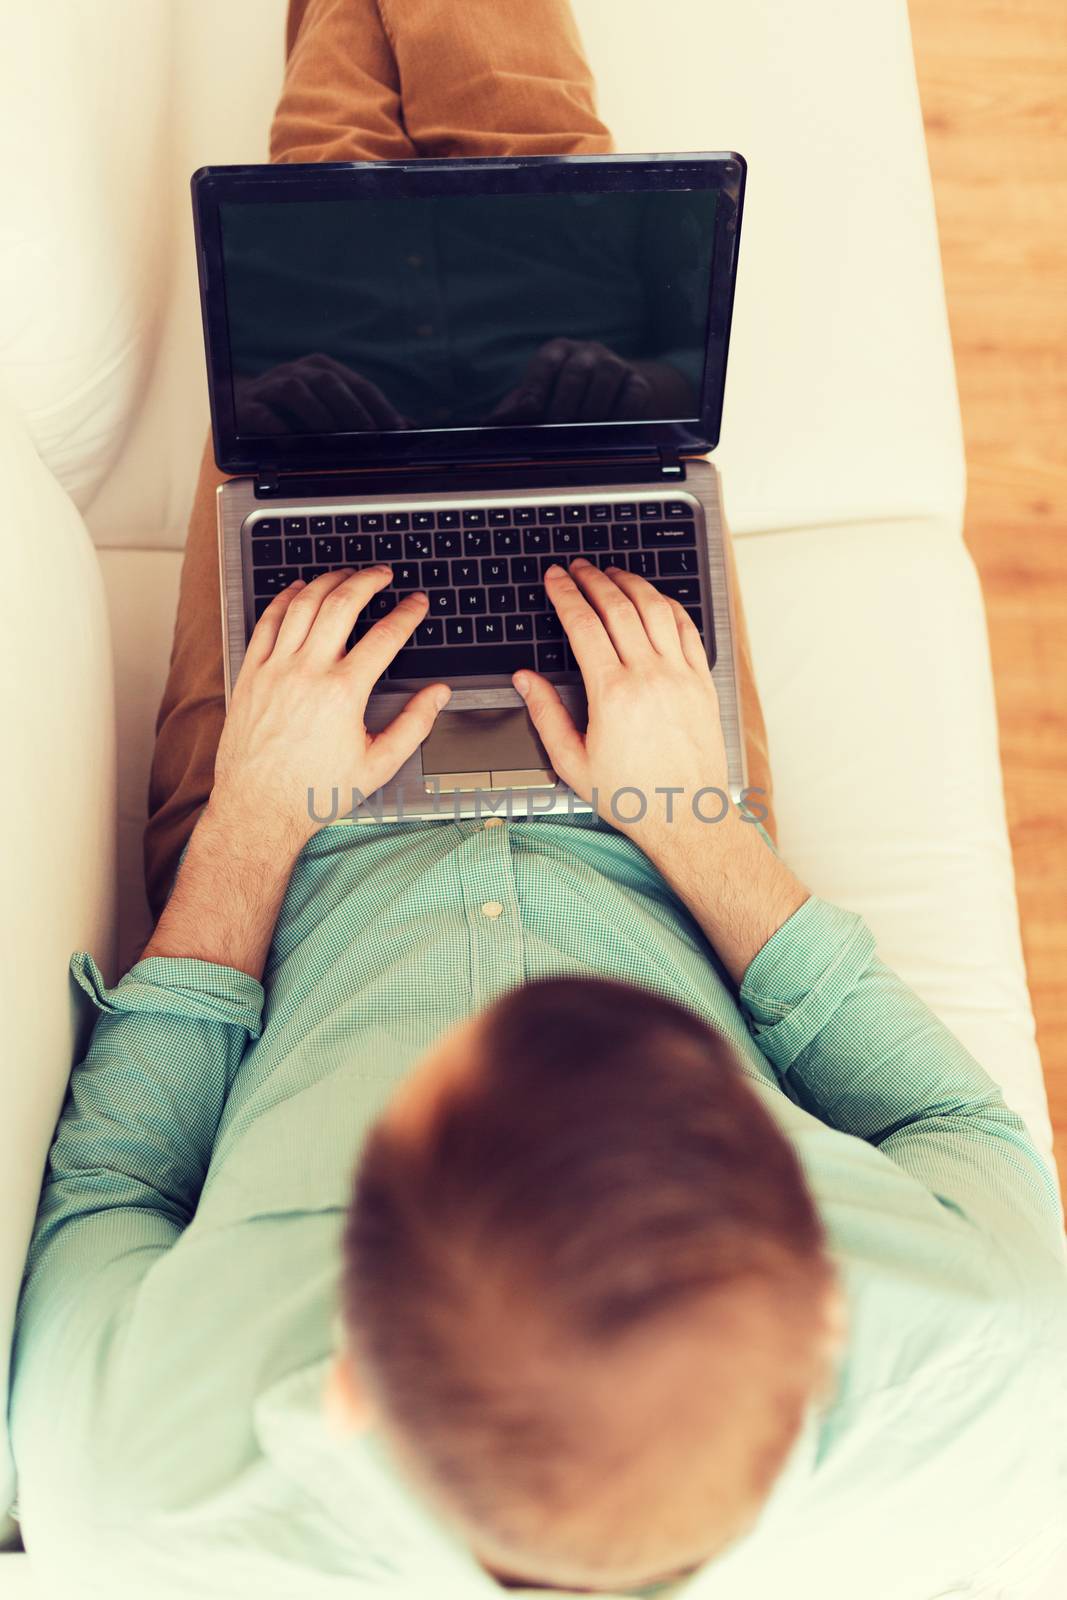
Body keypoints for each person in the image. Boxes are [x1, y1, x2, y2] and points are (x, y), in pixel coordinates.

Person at [10, 4, 1067, 1598]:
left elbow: (113, 1189)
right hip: (665, 813)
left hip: (275, 842)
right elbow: (951, 1124)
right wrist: (684, 810)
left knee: (325, 261)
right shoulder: (992, 1360)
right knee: (547, 228)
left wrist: (251, 822)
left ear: (349, 1381)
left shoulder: (133, 1474)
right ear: (832, 1301)